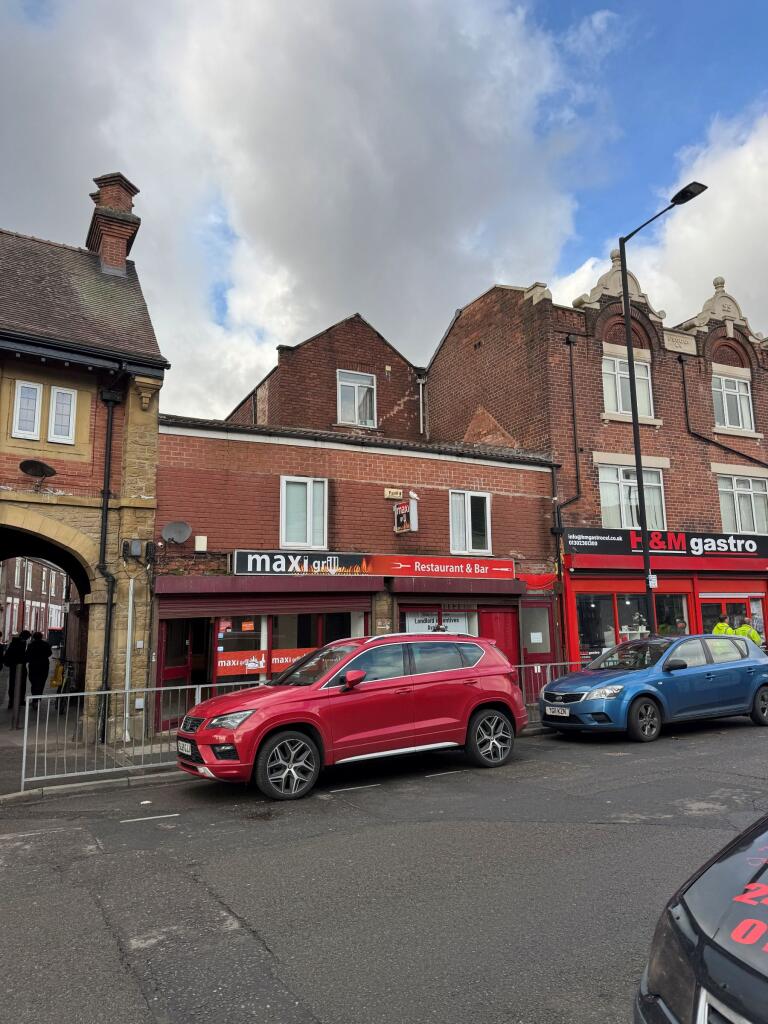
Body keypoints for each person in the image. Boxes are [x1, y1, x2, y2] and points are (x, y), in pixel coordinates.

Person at [5, 630, 30, 709]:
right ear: (25, 637)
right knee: (19, 684)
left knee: (14, 684)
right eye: (28, 637)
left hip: (15, 666)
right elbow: (21, 655)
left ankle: (13, 701)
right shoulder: (19, 644)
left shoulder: (15, 643)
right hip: (18, 666)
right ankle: (15, 701)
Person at [25, 632, 53, 698]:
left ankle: (34, 696)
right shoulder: (46, 644)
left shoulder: (31, 645)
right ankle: (37, 699)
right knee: (41, 682)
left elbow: (27, 655)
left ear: (33, 637)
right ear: (41, 637)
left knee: (33, 681)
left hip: (33, 666)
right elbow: (49, 653)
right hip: (44, 665)